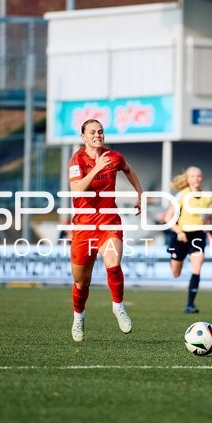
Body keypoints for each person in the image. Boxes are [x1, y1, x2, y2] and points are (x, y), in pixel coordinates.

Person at [67, 119, 143, 342]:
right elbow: (76, 190)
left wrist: (140, 193)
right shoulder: (76, 160)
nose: (97, 135)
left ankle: (118, 307)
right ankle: (78, 318)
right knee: (82, 283)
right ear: (83, 137)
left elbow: (128, 169)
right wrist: (97, 169)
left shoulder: (114, 156)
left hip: (109, 223)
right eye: (92, 132)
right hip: (84, 228)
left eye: (100, 132)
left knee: (113, 263)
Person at [164, 166, 211, 314]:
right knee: (176, 273)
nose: (196, 179)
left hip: (198, 235)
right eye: (192, 176)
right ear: (187, 179)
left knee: (197, 266)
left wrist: (208, 231)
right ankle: (173, 259)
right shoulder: (182, 195)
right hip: (181, 235)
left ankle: (190, 304)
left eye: (198, 176)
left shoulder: (207, 198)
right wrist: (179, 231)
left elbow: (206, 218)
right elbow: (167, 217)